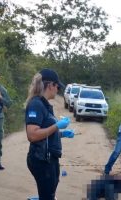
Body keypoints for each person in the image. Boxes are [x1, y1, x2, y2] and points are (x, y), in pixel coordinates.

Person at [25, 68, 75, 200]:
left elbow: (46, 132)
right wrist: (57, 125)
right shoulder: (36, 104)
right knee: (48, 196)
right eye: (57, 86)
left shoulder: (45, 105)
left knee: (49, 194)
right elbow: (32, 135)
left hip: (49, 158)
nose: (58, 89)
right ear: (50, 85)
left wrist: (62, 133)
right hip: (41, 159)